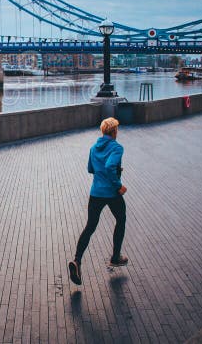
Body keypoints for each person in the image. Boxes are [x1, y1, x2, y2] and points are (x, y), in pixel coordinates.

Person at [68, 117, 128, 285]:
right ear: (114, 131)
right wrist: (118, 185)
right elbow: (109, 166)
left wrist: (110, 169)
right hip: (112, 192)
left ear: (103, 131)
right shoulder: (117, 148)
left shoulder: (94, 148)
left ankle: (77, 261)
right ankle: (115, 257)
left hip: (96, 193)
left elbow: (91, 169)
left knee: (90, 226)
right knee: (121, 219)